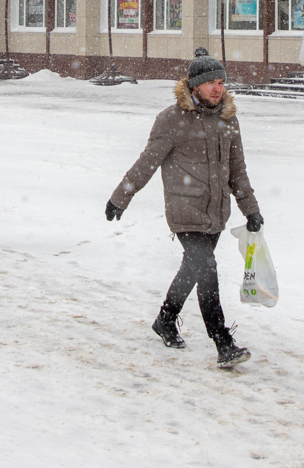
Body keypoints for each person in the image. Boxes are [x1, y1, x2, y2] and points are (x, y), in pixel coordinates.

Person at [106, 47, 263, 369]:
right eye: (211, 83)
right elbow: (146, 163)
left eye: (221, 82)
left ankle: (165, 319)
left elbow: (238, 171)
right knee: (206, 268)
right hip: (185, 210)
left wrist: (250, 209)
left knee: (193, 269)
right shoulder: (171, 120)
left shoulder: (228, 120)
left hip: (216, 211)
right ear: (194, 86)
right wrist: (121, 197)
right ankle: (222, 341)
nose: (218, 89)